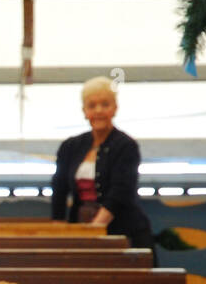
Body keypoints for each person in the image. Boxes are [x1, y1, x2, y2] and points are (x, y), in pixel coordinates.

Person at [50, 76, 153, 251]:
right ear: (84, 111)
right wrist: (59, 229)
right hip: (80, 227)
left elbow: (121, 192)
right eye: (92, 105)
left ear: (115, 108)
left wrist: (95, 230)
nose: (98, 110)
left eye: (105, 104)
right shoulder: (70, 146)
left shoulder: (126, 146)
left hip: (123, 230)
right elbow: (59, 188)